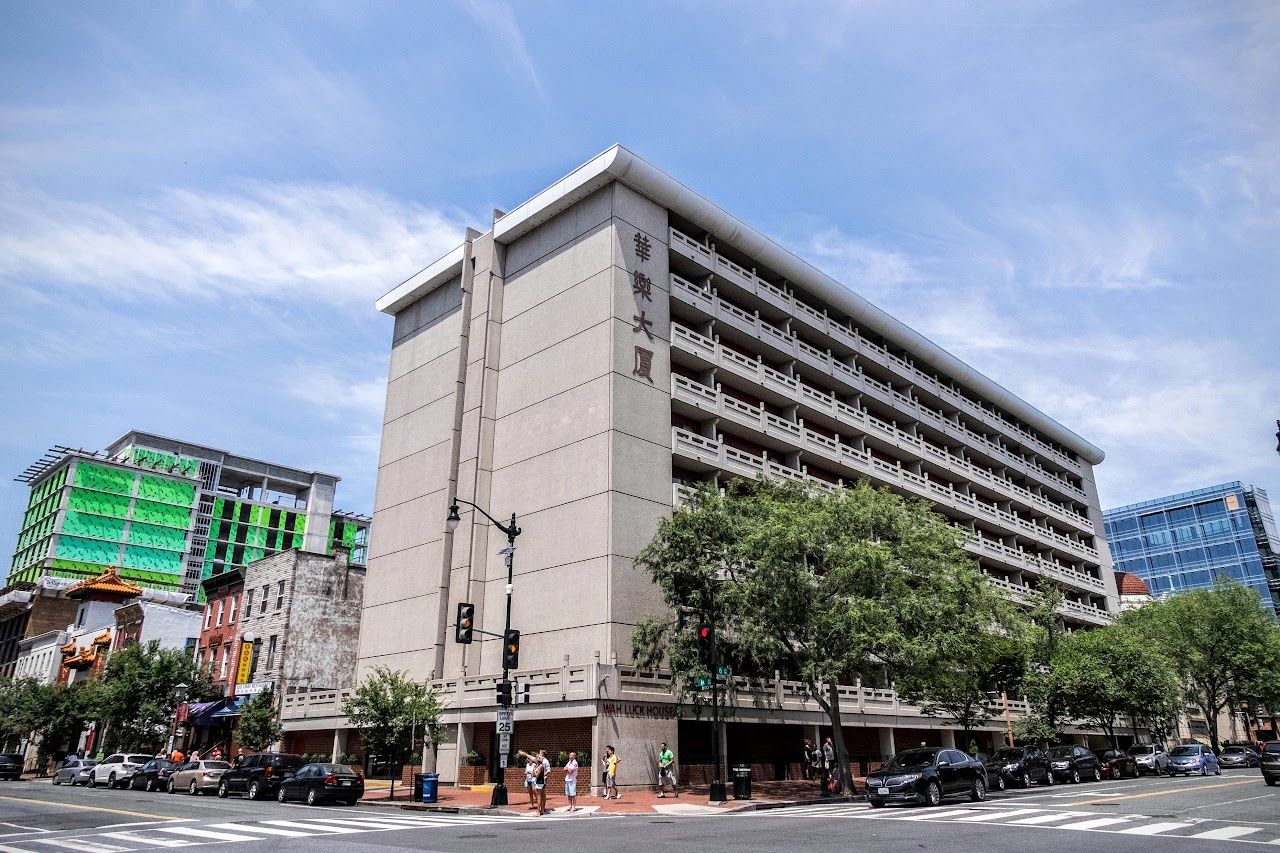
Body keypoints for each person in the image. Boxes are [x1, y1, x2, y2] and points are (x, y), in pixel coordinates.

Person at [536, 749, 551, 815]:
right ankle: (542, 809)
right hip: (540, 779)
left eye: (540, 753)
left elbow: (548, 771)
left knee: (541, 795)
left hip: (542, 779)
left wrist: (543, 776)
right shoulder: (539, 761)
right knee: (541, 794)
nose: (539, 754)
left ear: (543, 754)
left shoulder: (545, 761)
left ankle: (541, 809)